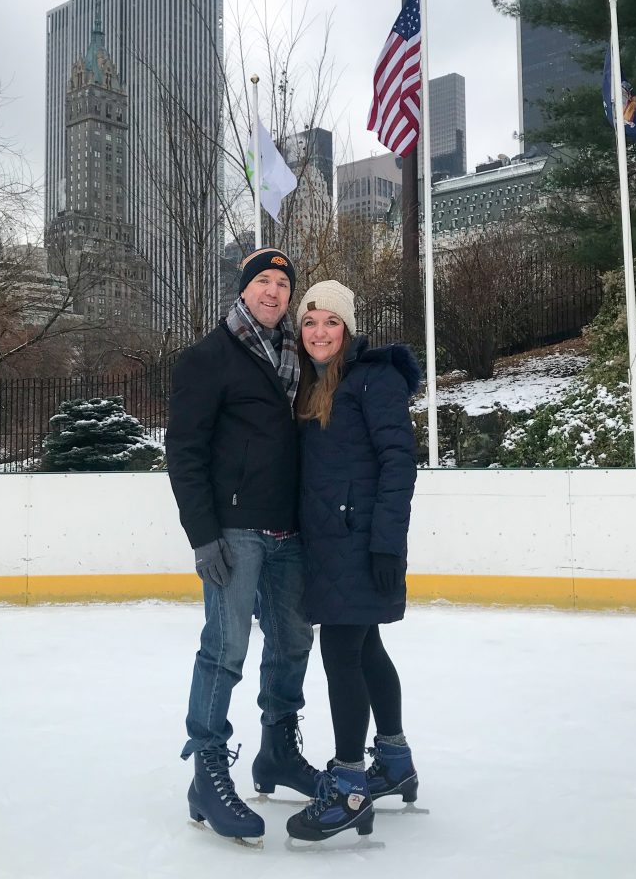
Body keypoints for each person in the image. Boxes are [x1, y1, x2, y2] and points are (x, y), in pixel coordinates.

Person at [166, 248, 319, 845]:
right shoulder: (208, 358)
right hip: (233, 530)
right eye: (264, 281)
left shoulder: (297, 359)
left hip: (289, 530)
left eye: (283, 283)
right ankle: (207, 769)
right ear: (244, 289)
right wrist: (202, 536)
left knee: (291, 644)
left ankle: (277, 750)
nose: (274, 291)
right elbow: (184, 453)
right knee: (225, 649)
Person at [285, 280, 420, 844]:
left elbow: (399, 461)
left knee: (342, 650)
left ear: (348, 328)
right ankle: (394, 759)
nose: (319, 332)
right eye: (310, 322)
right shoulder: (312, 385)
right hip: (330, 544)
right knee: (365, 648)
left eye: (330, 322)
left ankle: (350, 785)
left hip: (362, 543)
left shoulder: (375, 379)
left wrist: (388, 542)